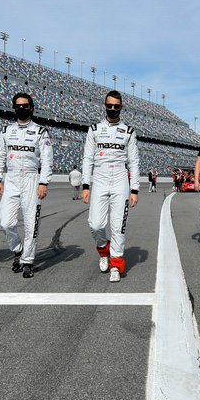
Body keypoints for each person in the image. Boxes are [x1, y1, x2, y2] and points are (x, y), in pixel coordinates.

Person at [0, 92, 53, 279]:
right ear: (14, 107)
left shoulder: (41, 132)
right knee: (6, 222)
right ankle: (18, 249)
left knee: (31, 224)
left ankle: (27, 261)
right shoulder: (6, 131)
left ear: (31, 107)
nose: (21, 108)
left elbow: (47, 159)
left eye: (25, 105)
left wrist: (43, 182)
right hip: (11, 179)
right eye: (18, 105)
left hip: (31, 179)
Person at [81, 90, 140, 283]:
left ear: (121, 107)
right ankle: (103, 249)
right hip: (99, 176)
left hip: (120, 179)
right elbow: (87, 158)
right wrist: (85, 185)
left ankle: (116, 263)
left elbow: (134, 162)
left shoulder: (129, 131)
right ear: (105, 106)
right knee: (95, 223)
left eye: (116, 106)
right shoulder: (94, 129)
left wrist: (134, 189)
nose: (113, 109)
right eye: (109, 105)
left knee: (118, 226)